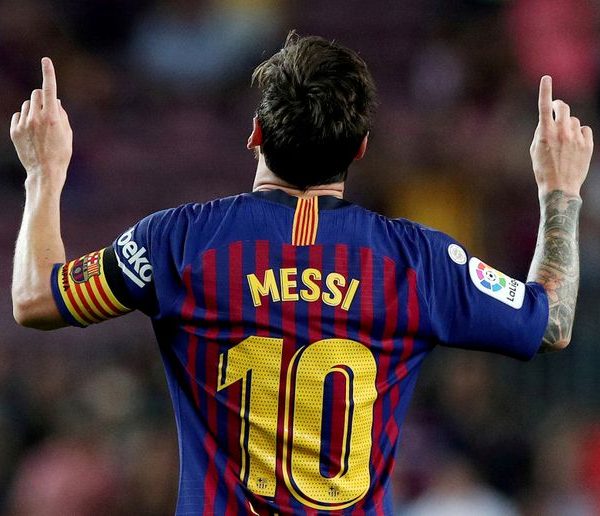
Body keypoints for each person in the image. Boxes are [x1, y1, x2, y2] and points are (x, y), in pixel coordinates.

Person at [9, 32, 593, 515]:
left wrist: (44, 173)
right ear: (360, 149)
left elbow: (36, 298)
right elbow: (551, 322)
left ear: (256, 134)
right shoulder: (420, 261)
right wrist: (560, 190)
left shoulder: (178, 242)